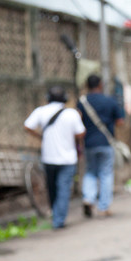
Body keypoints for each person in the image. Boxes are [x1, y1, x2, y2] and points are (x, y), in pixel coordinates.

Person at [24, 86, 86, 229]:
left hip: (49, 158)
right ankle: (58, 220)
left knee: (52, 189)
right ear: (64, 99)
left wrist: (41, 136)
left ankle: (56, 216)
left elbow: (27, 126)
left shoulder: (41, 111)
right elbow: (81, 133)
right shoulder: (72, 113)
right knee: (63, 189)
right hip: (68, 159)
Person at [77, 74, 125, 218]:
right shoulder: (110, 101)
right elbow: (120, 121)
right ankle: (103, 207)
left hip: (89, 143)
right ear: (100, 85)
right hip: (106, 142)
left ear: (87, 85)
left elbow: (78, 121)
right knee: (105, 173)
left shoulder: (82, 102)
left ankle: (88, 198)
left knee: (90, 172)